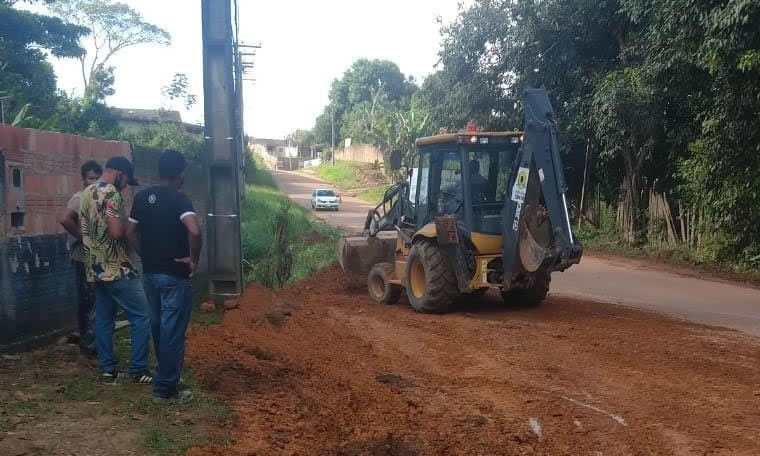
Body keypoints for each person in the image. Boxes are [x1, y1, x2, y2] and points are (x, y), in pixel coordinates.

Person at [129, 150, 202, 404]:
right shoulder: (179, 199)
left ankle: (166, 376)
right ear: (181, 174)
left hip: (149, 274)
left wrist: (145, 253)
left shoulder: (140, 198)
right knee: (172, 330)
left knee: (159, 327)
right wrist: (194, 259)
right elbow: (194, 230)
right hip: (174, 275)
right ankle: (165, 388)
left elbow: (130, 231)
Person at [80, 156, 153, 384]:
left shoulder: (86, 192)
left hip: (95, 267)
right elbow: (117, 232)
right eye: (126, 181)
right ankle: (139, 369)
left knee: (103, 318)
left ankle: (107, 369)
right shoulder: (111, 193)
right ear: (119, 173)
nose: (126, 187)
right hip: (116, 268)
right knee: (142, 316)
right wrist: (128, 224)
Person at [60, 160, 102, 359]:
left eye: (97, 178)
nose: (93, 181)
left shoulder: (96, 198)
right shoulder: (79, 198)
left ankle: (93, 343)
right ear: (83, 179)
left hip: (94, 258)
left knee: (95, 302)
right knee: (87, 302)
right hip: (82, 258)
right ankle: (87, 346)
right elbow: (65, 219)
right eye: (90, 178)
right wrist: (84, 238)